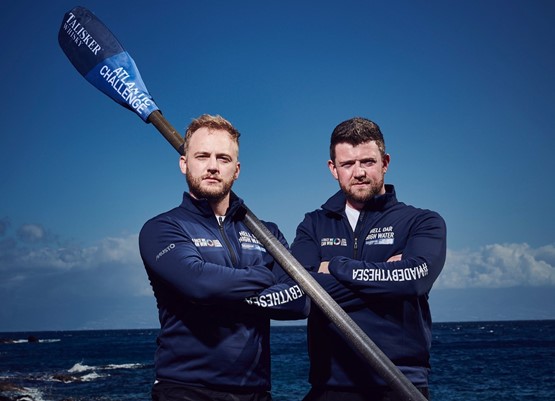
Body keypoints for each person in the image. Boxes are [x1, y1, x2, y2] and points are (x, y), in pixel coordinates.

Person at [139, 114, 308, 401]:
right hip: (185, 390)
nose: (213, 166)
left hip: (255, 391)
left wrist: (226, 294)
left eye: (223, 158)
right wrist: (266, 276)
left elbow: (300, 300)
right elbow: (199, 284)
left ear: (237, 169)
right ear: (184, 163)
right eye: (202, 156)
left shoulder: (267, 233)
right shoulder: (162, 229)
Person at [291, 117, 447, 401]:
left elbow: (413, 280)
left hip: (400, 384)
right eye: (348, 164)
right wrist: (385, 277)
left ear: (385, 162)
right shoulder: (313, 224)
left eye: (367, 162)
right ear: (333, 169)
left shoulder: (422, 222)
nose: (358, 172)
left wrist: (336, 266)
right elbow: (296, 292)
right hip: (329, 385)